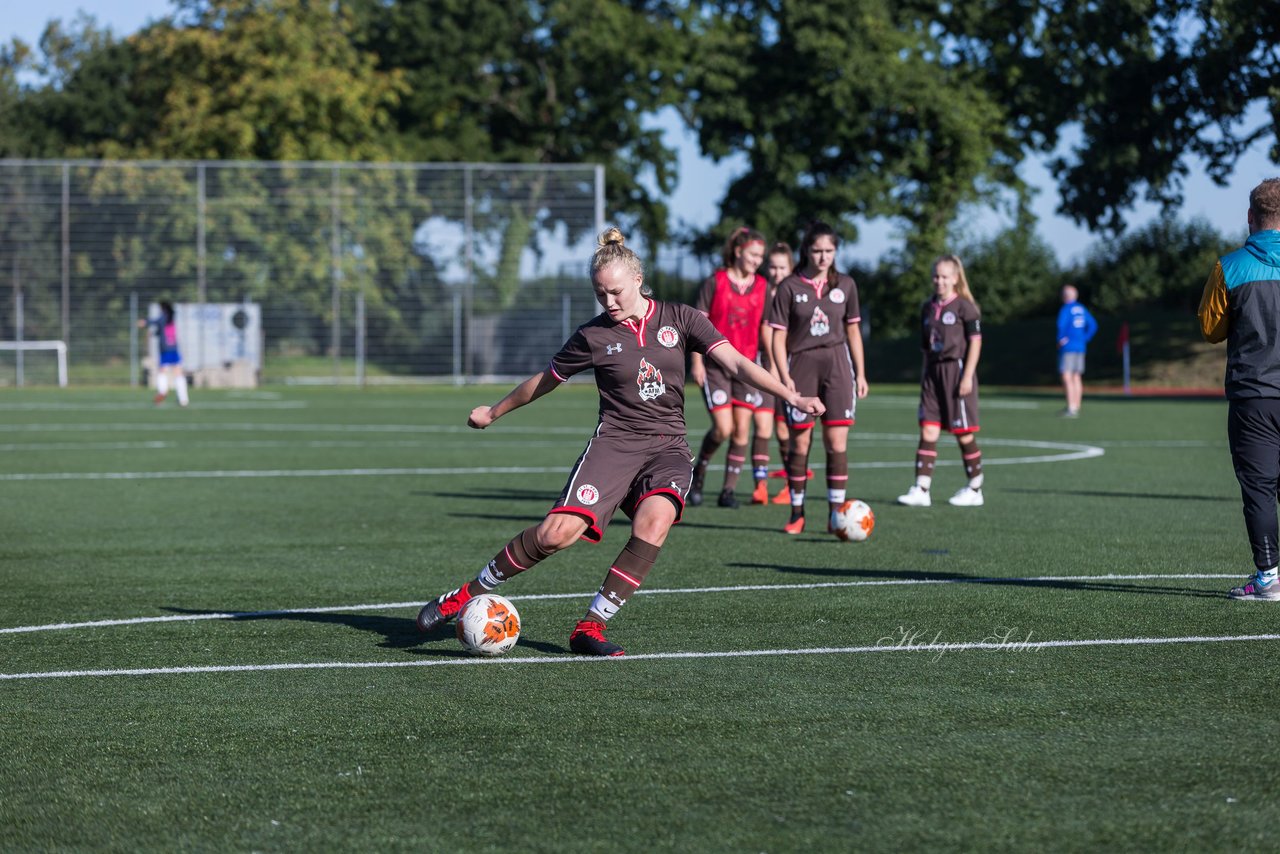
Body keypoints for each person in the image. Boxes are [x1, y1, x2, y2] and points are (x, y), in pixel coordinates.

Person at [416, 227, 824, 655]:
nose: (608, 303)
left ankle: (589, 628)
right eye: (600, 295)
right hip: (614, 444)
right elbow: (545, 381)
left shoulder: (680, 318)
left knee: (655, 520)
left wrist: (791, 395)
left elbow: (737, 362)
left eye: (614, 292)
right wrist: (493, 412)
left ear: (637, 280)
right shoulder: (592, 336)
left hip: (667, 447)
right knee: (556, 534)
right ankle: (464, 596)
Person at [1197, 176, 1280, 601]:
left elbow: (1211, 330)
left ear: (1251, 217)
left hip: (1255, 395)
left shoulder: (1229, 266)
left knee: (1260, 488)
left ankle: (1267, 578)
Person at [766, 221, 869, 535]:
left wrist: (861, 373)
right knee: (800, 442)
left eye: (829, 251)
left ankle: (836, 515)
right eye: (817, 250)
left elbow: (853, 331)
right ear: (806, 251)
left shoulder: (846, 285)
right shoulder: (789, 287)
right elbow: (776, 338)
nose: (824, 257)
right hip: (801, 366)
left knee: (836, 443)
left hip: (838, 366)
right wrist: (785, 377)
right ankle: (797, 512)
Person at [688, 227, 770, 508]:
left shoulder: (762, 286)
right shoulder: (716, 281)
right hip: (716, 364)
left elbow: (767, 328)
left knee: (741, 430)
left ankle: (728, 491)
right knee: (723, 428)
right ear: (738, 251)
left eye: (761, 256)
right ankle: (698, 474)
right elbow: (698, 324)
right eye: (753, 254)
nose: (757, 260)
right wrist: (696, 360)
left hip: (746, 366)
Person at [896, 255, 985, 508]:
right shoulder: (927, 307)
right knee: (928, 428)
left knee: (963, 434)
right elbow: (926, 347)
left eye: (945, 276)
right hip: (932, 374)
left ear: (955, 279)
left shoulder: (965, 307)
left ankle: (975, 487)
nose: (940, 281)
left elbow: (976, 343)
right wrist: (925, 376)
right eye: (936, 276)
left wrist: (967, 376)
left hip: (956, 371)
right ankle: (921, 489)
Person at [758, 242, 801, 506]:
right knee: (763, 426)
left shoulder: (796, 291)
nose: (776, 272)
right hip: (765, 367)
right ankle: (760, 486)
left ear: (791, 268)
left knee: (785, 428)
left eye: (781, 267)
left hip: (791, 368)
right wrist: (772, 365)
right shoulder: (764, 292)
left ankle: (789, 484)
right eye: (772, 266)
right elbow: (766, 331)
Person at [137, 300, 190, 407]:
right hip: (174, 348)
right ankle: (183, 398)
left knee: (163, 370)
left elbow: (154, 322)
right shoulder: (171, 318)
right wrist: (155, 333)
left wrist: (144, 322)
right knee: (178, 372)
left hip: (165, 349)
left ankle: (162, 391)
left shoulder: (163, 317)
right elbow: (161, 330)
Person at [1057, 284, 1098, 417]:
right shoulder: (1081, 308)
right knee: (1076, 376)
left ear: (1065, 296)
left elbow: (1061, 325)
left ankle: (1071, 407)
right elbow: (1093, 325)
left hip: (1069, 347)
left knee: (1067, 375)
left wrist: (1061, 339)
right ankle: (1076, 405)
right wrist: (1084, 338)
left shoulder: (1066, 309)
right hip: (1080, 346)